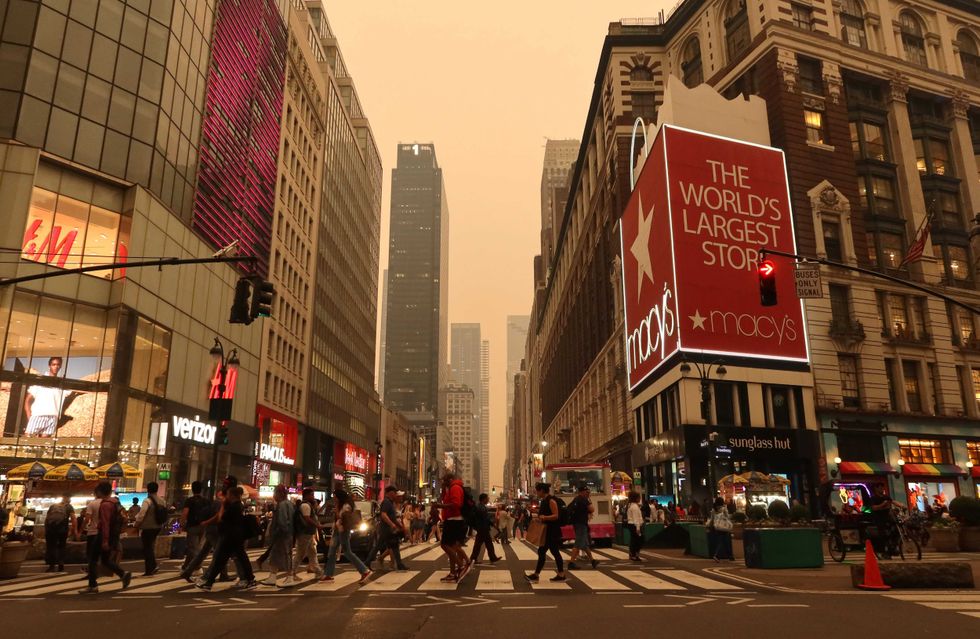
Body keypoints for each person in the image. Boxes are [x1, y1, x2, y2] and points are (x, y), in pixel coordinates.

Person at [195, 486, 256, 591]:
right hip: (234, 536)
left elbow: (220, 518)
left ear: (232, 495)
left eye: (228, 494)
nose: (226, 496)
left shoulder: (234, 507)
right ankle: (249, 579)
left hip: (230, 536)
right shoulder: (239, 506)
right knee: (233, 558)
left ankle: (209, 582)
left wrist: (223, 505)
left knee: (221, 559)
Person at [78, 482, 131, 594]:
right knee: (106, 560)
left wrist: (105, 541)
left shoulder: (105, 505)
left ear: (100, 491)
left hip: (102, 535)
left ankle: (93, 585)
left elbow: (105, 523)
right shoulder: (115, 502)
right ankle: (123, 573)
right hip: (113, 535)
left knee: (92, 559)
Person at [322, 489, 372, 583]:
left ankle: (364, 571)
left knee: (347, 552)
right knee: (332, 552)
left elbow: (344, 519)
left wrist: (337, 511)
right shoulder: (341, 505)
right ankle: (328, 574)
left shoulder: (346, 506)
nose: (334, 498)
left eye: (335, 497)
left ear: (340, 497)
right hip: (337, 530)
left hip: (343, 531)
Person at [525, 482, 565, 583]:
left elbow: (556, 515)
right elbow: (545, 513)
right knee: (547, 551)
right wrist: (536, 512)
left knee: (549, 551)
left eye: (537, 491)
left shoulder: (551, 500)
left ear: (542, 491)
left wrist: (544, 517)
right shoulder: (544, 501)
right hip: (548, 530)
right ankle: (558, 574)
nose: (536, 493)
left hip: (552, 531)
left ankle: (538, 575)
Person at [435, 471, 471, 582]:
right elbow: (446, 500)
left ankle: (461, 566)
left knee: (445, 545)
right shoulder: (451, 488)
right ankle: (453, 572)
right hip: (453, 520)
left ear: (449, 479)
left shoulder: (455, 487)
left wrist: (441, 506)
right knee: (452, 547)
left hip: (454, 520)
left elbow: (456, 504)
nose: (443, 483)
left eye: (444, 481)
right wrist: (443, 491)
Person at [260, 485, 295, 587]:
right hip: (286, 533)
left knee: (285, 554)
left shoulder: (282, 505)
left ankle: (289, 577)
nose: (274, 495)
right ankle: (272, 576)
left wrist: (278, 532)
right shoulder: (289, 504)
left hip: (282, 534)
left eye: (274, 493)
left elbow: (282, 521)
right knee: (276, 555)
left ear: (279, 493)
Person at [134, 481, 166, 576]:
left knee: (147, 548)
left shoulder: (147, 501)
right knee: (149, 547)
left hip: (148, 527)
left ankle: (150, 568)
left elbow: (142, 514)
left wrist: (136, 524)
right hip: (158, 526)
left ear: (148, 489)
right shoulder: (162, 501)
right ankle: (153, 566)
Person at [291, 488, 323, 579]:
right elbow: (307, 518)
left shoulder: (308, 505)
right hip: (304, 533)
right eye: (312, 495)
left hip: (308, 533)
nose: (313, 497)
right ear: (307, 495)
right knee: (301, 553)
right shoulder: (305, 505)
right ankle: (292, 572)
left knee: (312, 552)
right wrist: (317, 525)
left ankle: (318, 571)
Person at [374, 486, 408, 571]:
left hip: (393, 528)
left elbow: (393, 517)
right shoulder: (389, 503)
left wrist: (400, 526)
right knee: (390, 546)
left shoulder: (395, 504)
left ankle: (394, 563)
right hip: (388, 528)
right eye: (399, 496)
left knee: (393, 546)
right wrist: (393, 525)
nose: (401, 497)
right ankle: (392, 563)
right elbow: (385, 515)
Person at [180, 481, 209, 575]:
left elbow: (185, 513)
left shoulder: (190, 500)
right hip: (204, 525)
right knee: (195, 547)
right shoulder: (206, 500)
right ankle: (186, 566)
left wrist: (181, 524)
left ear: (192, 489)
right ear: (202, 489)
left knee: (193, 548)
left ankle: (197, 566)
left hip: (192, 526)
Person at [568, 485, 598, 570]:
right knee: (578, 543)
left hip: (577, 523)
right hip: (581, 524)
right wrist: (589, 499)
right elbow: (592, 509)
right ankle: (571, 562)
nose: (587, 493)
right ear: (581, 492)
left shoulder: (576, 499)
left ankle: (592, 561)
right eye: (586, 492)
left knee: (584, 544)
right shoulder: (583, 499)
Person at [44, 493, 75, 572]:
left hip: (51, 530)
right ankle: (61, 564)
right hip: (63, 530)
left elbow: (47, 518)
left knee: (51, 547)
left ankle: (52, 566)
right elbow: (74, 519)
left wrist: (46, 529)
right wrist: (73, 530)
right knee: (62, 547)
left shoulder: (53, 506)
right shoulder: (69, 507)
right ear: (67, 498)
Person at [470, 493, 501, 564]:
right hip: (483, 528)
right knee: (488, 544)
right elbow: (486, 519)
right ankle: (492, 558)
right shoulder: (481, 507)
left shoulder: (480, 506)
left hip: (481, 528)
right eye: (487, 498)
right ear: (484, 499)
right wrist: (493, 525)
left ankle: (473, 558)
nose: (488, 499)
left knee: (479, 544)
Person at [869, 484, 895, 556]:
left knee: (895, 530)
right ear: (876, 489)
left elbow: (892, 501)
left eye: (882, 487)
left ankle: (893, 547)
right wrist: (882, 505)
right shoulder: (873, 498)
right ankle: (882, 550)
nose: (882, 489)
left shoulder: (886, 497)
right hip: (879, 519)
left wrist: (901, 505)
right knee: (882, 535)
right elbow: (874, 508)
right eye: (880, 487)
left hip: (888, 518)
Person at [705, 497, 734, 561]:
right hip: (724, 527)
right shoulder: (724, 509)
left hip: (717, 527)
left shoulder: (713, 510)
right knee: (724, 542)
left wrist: (709, 526)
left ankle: (730, 556)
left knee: (723, 541)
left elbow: (712, 520)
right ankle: (717, 555)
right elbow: (727, 517)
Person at [626, 492, 644, 561]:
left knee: (634, 540)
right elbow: (636, 519)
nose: (640, 499)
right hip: (634, 525)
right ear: (636, 498)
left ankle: (633, 554)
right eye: (639, 497)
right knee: (638, 540)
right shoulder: (635, 507)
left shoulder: (631, 505)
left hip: (632, 525)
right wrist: (638, 528)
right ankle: (634, 554)